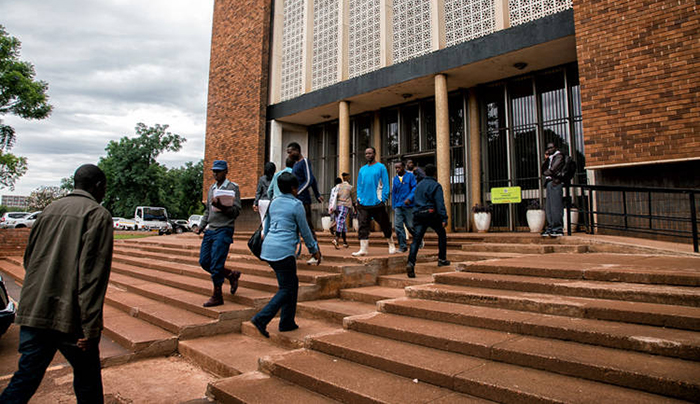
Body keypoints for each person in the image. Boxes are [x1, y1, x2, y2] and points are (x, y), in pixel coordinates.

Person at [0, 164, 112, 404]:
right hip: (70, 318)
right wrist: (91, 328)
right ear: (98, 186)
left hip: (35, 310)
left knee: (25, 378)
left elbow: (30, 260)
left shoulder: (48, 210)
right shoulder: (97, 215)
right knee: (87, 380)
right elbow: (92, 277)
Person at [250, 172, 321, 338]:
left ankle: (287, 322)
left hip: (269, 249)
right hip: (284, 251)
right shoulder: (296, 205)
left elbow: (266, 228)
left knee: (292, 284)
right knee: (286, 288)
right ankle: (261, 318)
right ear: (293, 188)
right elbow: (305, 230)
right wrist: (314, 250)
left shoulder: (273, 203)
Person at [197, 160, 242, 307]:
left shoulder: (232, 188)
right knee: (204, 261)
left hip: (224, 229)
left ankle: (217, 295)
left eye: (219, 171)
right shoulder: (211, 188)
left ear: (226, 171)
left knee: (217, 264)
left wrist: (222, 207)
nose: (215, 173)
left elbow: (236, 212)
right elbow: (208, 210)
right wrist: (201, 226)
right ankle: (230, 274)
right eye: (214, 171)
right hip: (211, 229)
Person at [406, 164, 450, 278]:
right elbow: (440, 203)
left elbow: (415, 199)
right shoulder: (436, 185)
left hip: (419, 214)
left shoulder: (419, 185)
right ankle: (442, 259)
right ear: (435, 173)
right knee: (441, 234)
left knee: (416, 240)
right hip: (431, 213)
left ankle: (411, 263)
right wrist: (444, 217)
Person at [353, 147, 397, 256]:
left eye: (370, 153)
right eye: (366, 153)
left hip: (377, 202)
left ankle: (391, 243)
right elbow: (359, 185)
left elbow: (386, 184)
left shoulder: (381, 167)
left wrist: (383, 198)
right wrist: (359, 198)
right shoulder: (362, 169)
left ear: (374, 154)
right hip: (363, 203)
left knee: (384, 224)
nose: (368, 155)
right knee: (363, 225)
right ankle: (363, 249)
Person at [287, 142, 324, 264]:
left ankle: (316, 253)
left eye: (290, 152)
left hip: (303, 200)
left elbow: (310, 179)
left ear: (297, 150)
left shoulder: (305, 161)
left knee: (307, 227)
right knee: (294, 227)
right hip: (295, 200)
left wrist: (299, 192)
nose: (289, 155)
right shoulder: (295, 165)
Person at [392, 161, 417, 253]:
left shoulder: (410, 176)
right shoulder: (395, 179)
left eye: (399, 167)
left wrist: (409, 198)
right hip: (398, 205)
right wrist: (394, 205)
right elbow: (394, 192)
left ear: (403, 167)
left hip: (408, 205)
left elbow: (414, 188)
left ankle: (418, 239)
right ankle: (403, 246)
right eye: (396, 168)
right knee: (398, 226)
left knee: (410, 225)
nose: (397, 170)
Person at [541, 142, 565, 237]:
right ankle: (551, 227)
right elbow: (543, 169)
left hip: (556, 182)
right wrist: (546, 159)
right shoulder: (550, 158)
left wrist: (547, 172)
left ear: (555, 147)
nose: (549, 150)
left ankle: (558, 228)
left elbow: (552, 170)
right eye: (548, 148)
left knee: (556, 206)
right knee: (549, 207)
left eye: (551, 148)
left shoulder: (559, 156)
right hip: (550, 183)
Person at [329, 173, 355, 249]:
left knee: (342, 223)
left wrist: (332, 207)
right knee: (341, 221)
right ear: (347, 178)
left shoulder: (337, 186)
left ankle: (345, 242)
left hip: (337, 206)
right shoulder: (350, 187)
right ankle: (336, 239)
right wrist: (355, 209)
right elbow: (353, 200)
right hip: (345, 206)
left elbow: (333, 197)